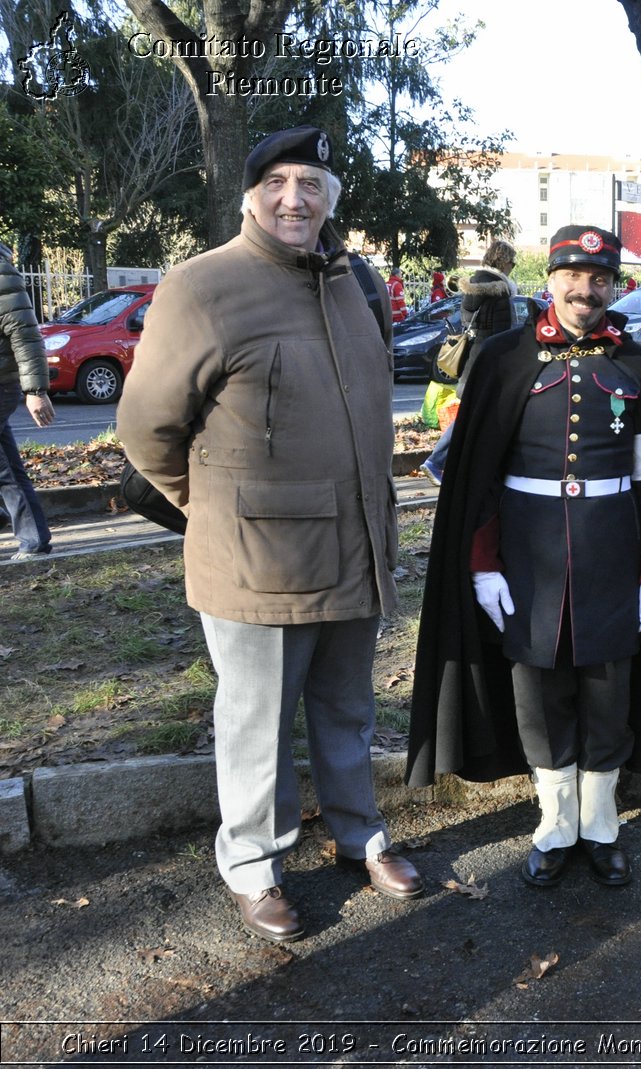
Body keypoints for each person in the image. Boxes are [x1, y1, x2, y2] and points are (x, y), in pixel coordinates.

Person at [119, 125, 422, 944]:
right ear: (250, 194)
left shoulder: (355, 280)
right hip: (255, 562)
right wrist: (210, 509)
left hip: (353, 546)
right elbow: (146, 430)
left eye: (312, 184)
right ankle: (255, 865)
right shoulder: (203, 286)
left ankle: (362, 835)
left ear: (330, 199)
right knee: (257, 719)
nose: (296, 199)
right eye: (279, 182)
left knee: (347, 708)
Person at [408, 225, 641, 888]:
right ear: (552, 280)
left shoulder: (637, 365)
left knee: (606, 694)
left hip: (612, 558)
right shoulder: (505, 358)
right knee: (538, 695)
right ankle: (555, 822)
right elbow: (476, 477)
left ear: (613, 287)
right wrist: (482, 564)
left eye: (600, 279)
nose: (585, 290)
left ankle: (600, 826)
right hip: (527, 562)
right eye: (573, 275)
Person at [420, 238, 519, 485]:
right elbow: (503, 335)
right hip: (490, 365)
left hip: (473, 359)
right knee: (471, 417)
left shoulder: (473, 285)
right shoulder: (498, 291)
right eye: (512, 262)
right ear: (503, 261)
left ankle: (471, 467)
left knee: (480, 416)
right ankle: (436, 461)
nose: (513, 266)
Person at [0, 241, 55, 561]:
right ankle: (34, 538)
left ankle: (33, 540)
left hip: (2, 385)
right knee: (7, 465)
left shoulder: (3, 274)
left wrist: (36, 391)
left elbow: (25, 335)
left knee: (4, 470)